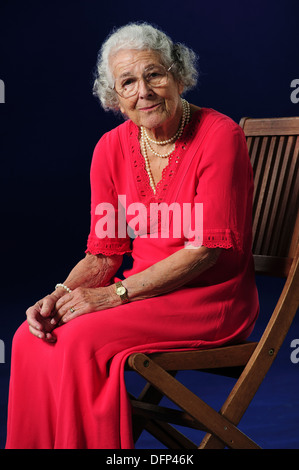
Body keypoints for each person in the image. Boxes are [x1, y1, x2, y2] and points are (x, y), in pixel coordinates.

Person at [5, 22, 259, 449]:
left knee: (80, 340)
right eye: (128, 82)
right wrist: (62, 292)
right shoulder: (109, 148)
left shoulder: (220, 134)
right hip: (143, 295)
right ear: (115, 98)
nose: (144, 90)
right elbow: (104, 255)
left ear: (178, 76)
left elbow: (204, 253)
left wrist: (109, 298)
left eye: (154, 74)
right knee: (30, 337)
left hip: (212, 298)